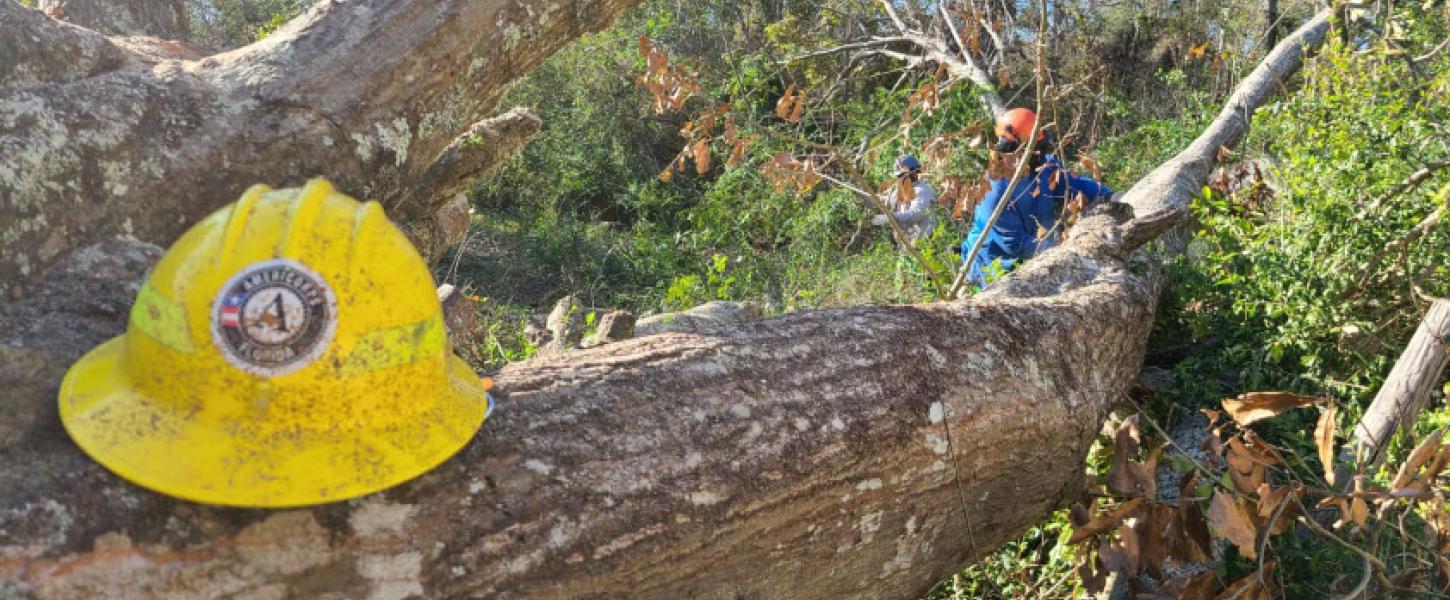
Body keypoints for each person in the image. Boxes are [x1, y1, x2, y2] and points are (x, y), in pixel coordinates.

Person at [959, 108, 1113, 286]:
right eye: (1036, 150)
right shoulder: (994, 190)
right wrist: (1064, 248)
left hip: (1034, 256)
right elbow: (1015, 243)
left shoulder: (1045, 168)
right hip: (994, 266)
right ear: (1014, 150)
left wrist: (1110, 195)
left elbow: (1075, 185)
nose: (1041, 155)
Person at [872, 155, 937, 243]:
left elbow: (916, 214)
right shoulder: (899, 191)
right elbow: (881, 201)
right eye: (900, 176)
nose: (902, 178)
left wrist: (891, 218)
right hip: (906, 243)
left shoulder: (923, 191)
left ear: (915, 173)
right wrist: (859, 190)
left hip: (923, 244)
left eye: (904, 175)